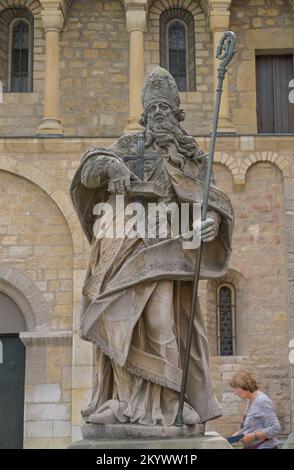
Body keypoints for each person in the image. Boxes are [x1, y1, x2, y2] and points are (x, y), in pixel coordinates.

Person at [70, 67, 234, 427]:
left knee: (161, 322)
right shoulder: (129, 146)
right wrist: (111, 167)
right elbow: (89, 168)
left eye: (166, 110)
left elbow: (213, 201)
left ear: (178, 116)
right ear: (145, 116)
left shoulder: (192, 159)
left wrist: (210, 224)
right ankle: (125, 402)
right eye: (153, 110)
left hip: (166, 251)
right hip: (123, 249)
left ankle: (173, 397)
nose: (159, 117)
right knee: (117, 322)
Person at [230, 370, 281, 448]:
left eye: (236, 388)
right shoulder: (250, 400)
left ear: (244, 385)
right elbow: (253, 426)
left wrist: (254, 436)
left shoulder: (261, 401)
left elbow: (275, 428)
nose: (235, 393)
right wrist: (239, 434)